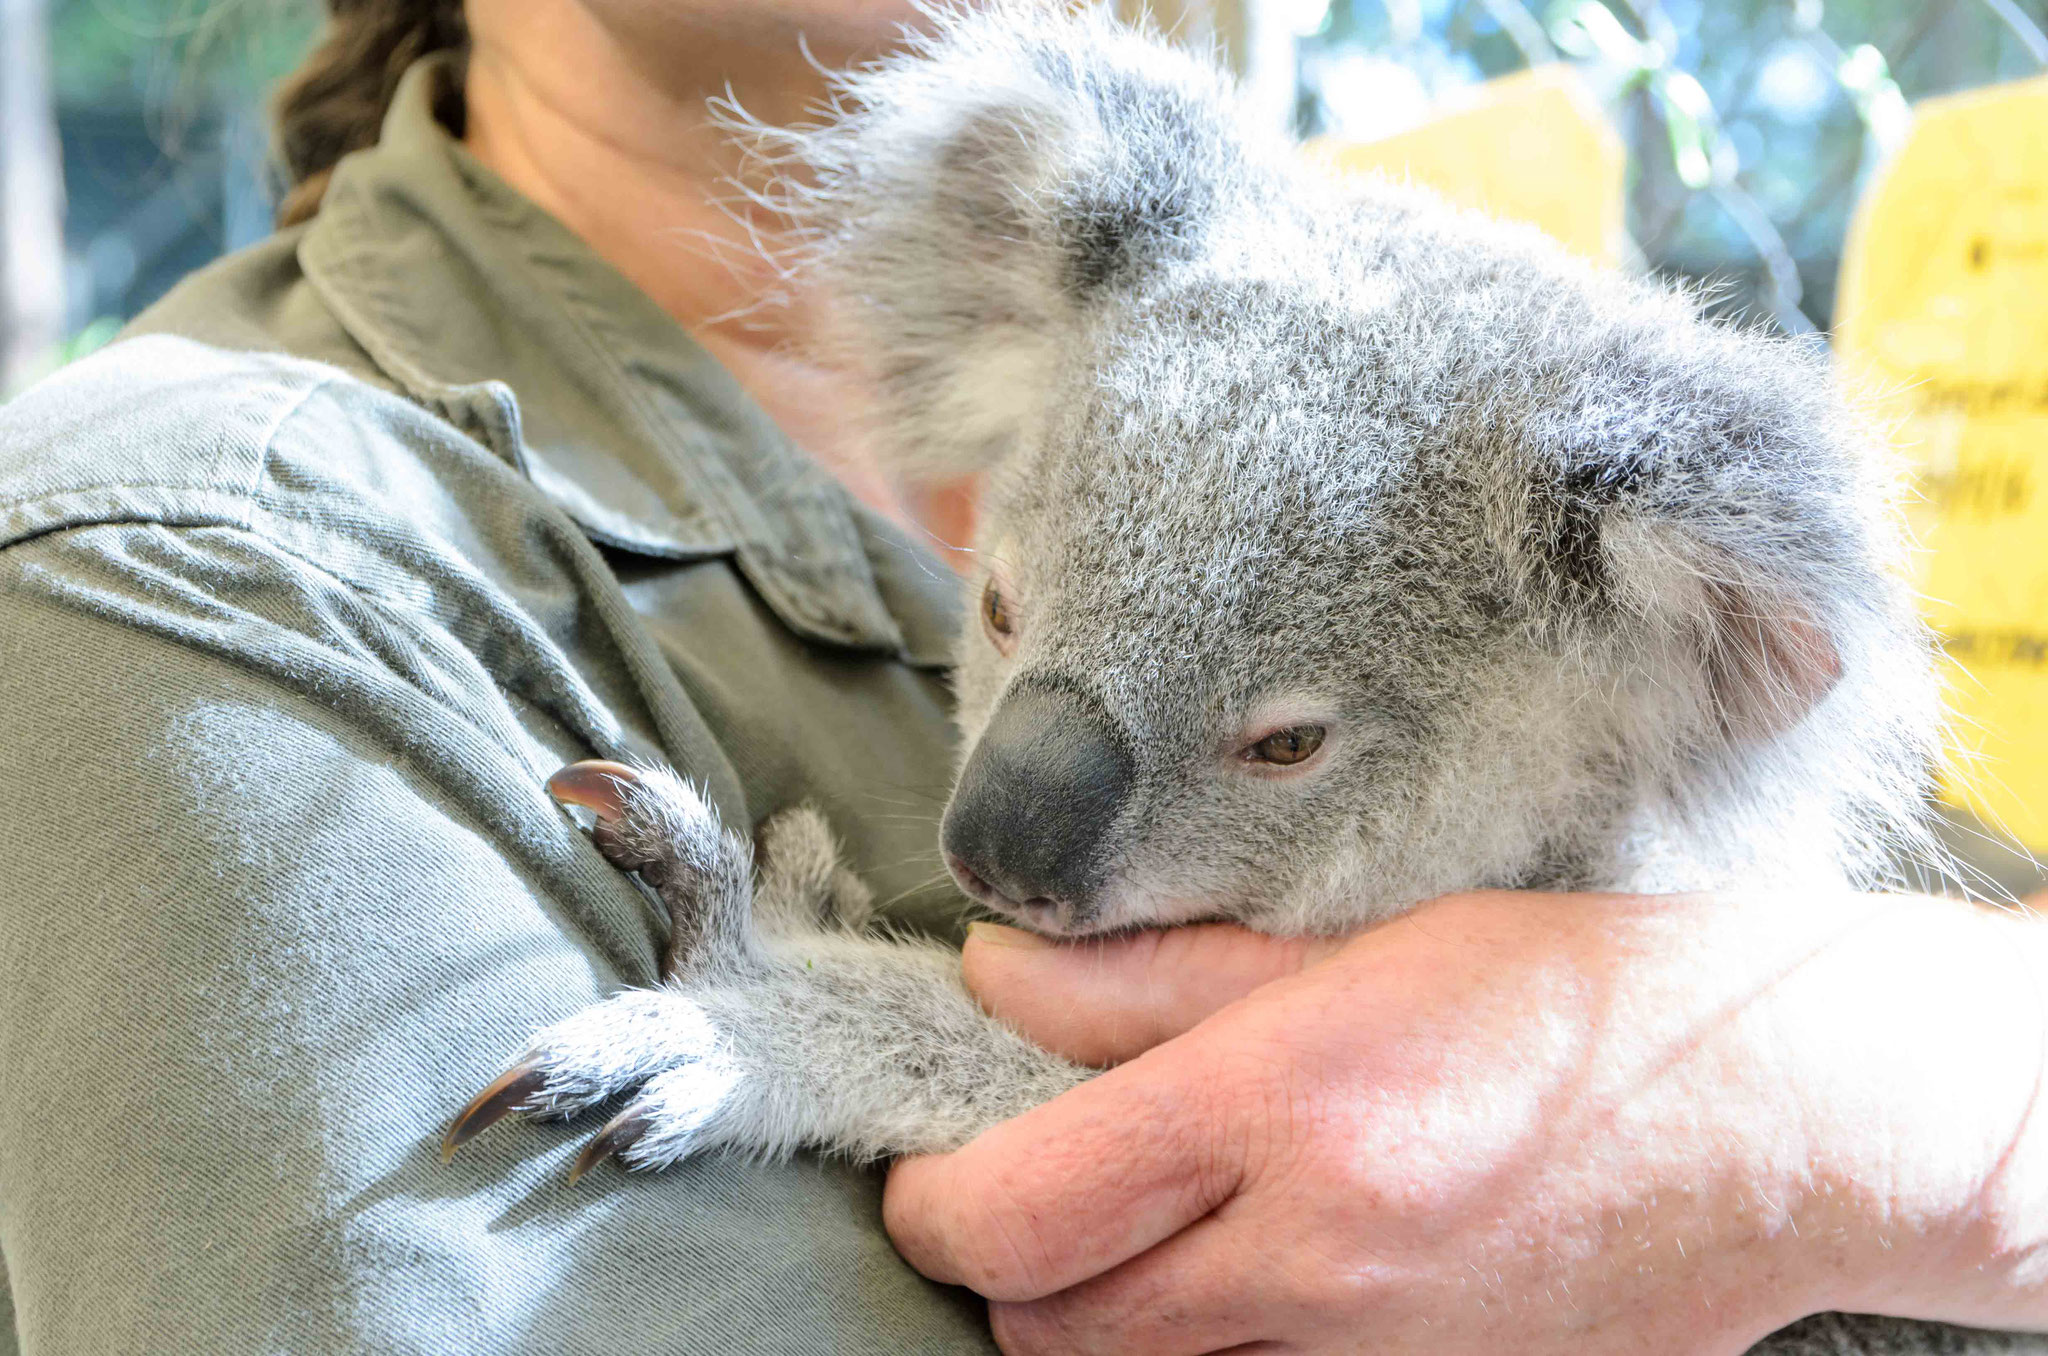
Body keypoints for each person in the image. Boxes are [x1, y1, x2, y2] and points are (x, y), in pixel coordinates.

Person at [0, 4, 2041, 1356]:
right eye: (1004, 614)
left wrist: (1847, 1110)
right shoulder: (195, 575)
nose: (995, 854)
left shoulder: (1453, 383)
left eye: (1278, 744)